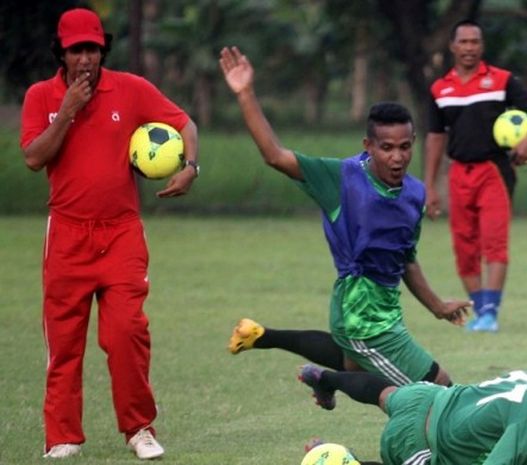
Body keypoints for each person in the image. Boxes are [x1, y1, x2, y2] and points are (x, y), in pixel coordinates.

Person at [219, 46, 470, 390]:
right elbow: (274, 155)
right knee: (438, 390)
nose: (397, 157)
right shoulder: (341, 179)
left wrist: (438, 306)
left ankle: (280, 349)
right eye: (386, 148)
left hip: (386, 314)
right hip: (360, 317)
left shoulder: (414, 193)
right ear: (368, 145)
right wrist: (246, 93)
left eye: (404, 147)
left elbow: (406, 260)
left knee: (355, 365)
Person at [20, 8, 199, 460]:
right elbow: (33, 158)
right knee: (64, 343)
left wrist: (190, 167)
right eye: (77, 50)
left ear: (104, 51)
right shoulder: (41, 96)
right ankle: (62, 436)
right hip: (66, 234)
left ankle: (139, 428)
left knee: (126, 333)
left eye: (93, 49)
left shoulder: (132, 89)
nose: (86, 59)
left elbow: (185, 124)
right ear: (61, 53)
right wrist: (66, 113)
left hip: (121, 234)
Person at [424, 20, 527, 332]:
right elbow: (435, 137)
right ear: (453, 47)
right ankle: (481, 312)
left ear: (482, 46)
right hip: (458, 173)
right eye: (463, 42)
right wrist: (429, 186)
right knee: (464, 248)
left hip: (494, 170)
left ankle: (490, 313)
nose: (469, 47)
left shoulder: (501, 80)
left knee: (494, 242)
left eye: (475, 42)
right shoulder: (440, 89)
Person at [298, 364, 527, 465]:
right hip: (421, 442)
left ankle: (325, 378)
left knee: (382, 393)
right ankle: (337, 460)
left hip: (429, 397)